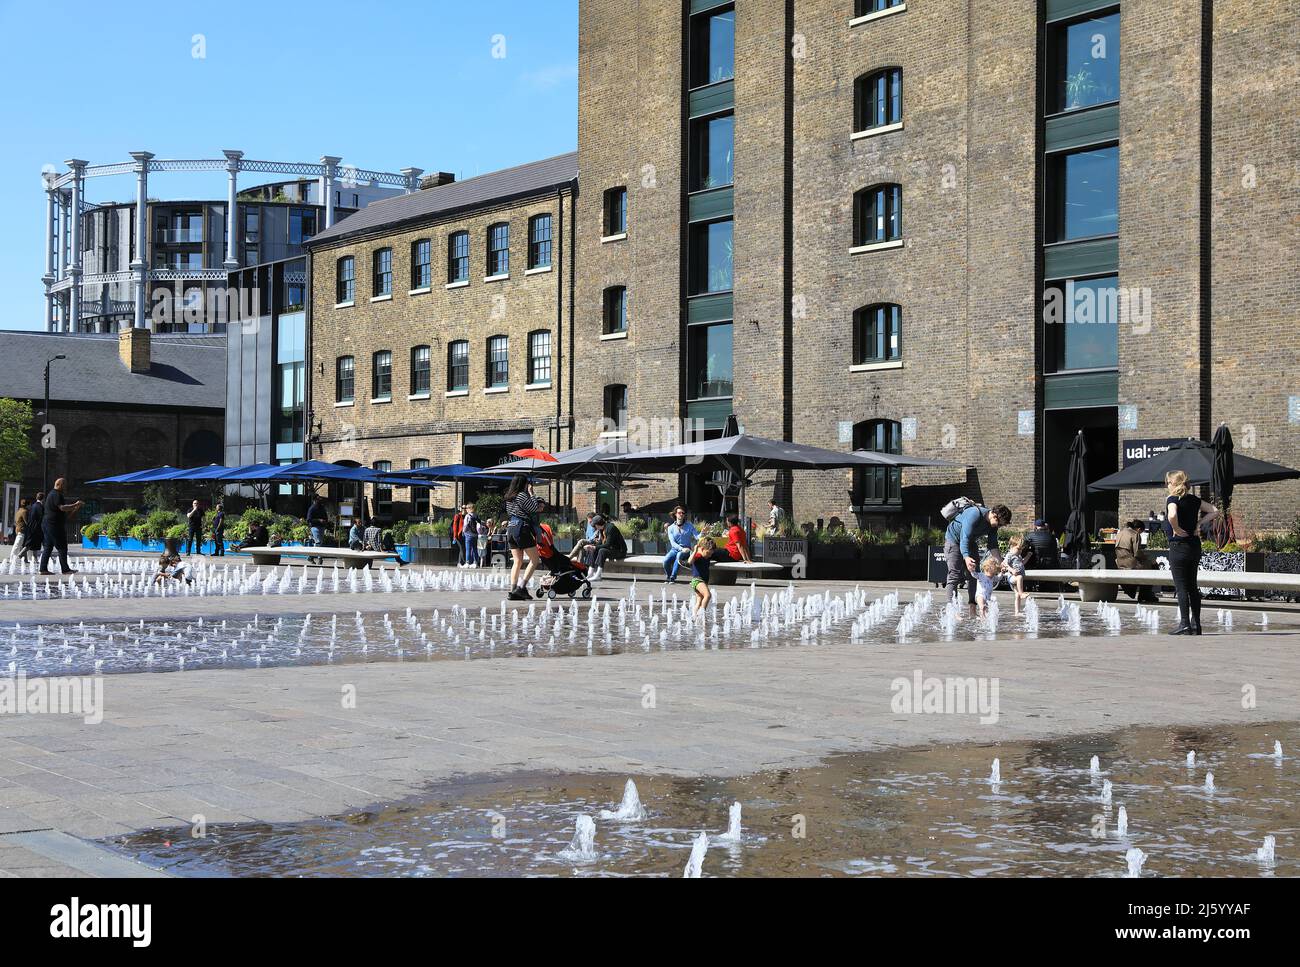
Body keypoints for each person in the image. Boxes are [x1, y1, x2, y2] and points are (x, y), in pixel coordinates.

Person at [1164, 470, 1218, 636]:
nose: (1167, 486)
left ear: (1174, 484)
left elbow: (1172, 514)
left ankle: (1184, 624)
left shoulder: (1172, 499)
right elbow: (1215, 510)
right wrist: (1199, 523)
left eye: (1168, 483)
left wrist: (1176, 528)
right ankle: (1196, 625)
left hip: (1179, 546)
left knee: (1181, 588)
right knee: (1192, 586)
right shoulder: (1194, 500)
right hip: (1194, 547)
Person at [944, 502, 1011, 610]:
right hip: (953, 540)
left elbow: (993, 545)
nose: (999, 526)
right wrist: (966, 557)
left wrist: (1001, 562)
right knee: (954, 575)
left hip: (970, 542)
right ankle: (952, 609)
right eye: (999, 524)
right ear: (994, 515)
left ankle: (972, 608)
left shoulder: (993, 526)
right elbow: (964, 538)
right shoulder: (974, 514)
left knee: (974, 574)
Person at [505, 474, 542, 600]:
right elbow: (534, 508)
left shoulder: (509, 496)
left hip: (511, 527)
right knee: (535, 559)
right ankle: (521, 587)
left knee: (517, 561)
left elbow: (510, 513)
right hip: (521, 527)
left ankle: (513, 589)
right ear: (523, 484)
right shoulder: (522, 495)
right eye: (527, 483)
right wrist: (532, 493)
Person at [39, 479, 83, 575]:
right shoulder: (56, 494)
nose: (66, 487)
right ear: (59, 484)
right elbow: (62, 508)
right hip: (53, 525)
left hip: (49, 524)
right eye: (64, 485)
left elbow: (65, 514)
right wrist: (75, 504)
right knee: (62, 547)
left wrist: (76, 508)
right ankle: (65, 569)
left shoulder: (53, 494)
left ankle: (43, 569)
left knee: (48, 547)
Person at [1115, 519, 1157, 602]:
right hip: (1130, 563)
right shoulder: (1135, 534)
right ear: (1138, 529)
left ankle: (1131, 589)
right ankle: (1144, 594)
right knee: (1152, 567)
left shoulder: (1120, 533)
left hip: (1120, 563)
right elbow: (1137, 553)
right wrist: (1147, 557)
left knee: (1146, 565)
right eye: (1141, 532)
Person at [664, 506, 699, 583]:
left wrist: (703, 533)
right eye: (679, 513)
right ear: (675, 514)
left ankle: (673, 577)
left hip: (686, 549)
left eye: (683, 513)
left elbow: (697, 537)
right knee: (666, 560)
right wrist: (681, 548)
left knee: (679, 555)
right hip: (675, 549)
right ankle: (669, 576)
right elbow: (672, 542)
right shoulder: (670, 528)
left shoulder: (689, 525)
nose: (681, 514)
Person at [685, 536, 717, 616]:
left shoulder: (706, 555)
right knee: (708, 595)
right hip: (697, 580)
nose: (709, 556)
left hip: (703, 581)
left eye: (711, 554)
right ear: (702, 549)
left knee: (699, 600)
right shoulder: (698, 555)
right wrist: (695, 551)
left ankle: (694, 616)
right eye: (708, 553)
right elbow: (689, 561)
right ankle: (701, 615)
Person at [1001, 538, 1031, 612]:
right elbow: (1005, 564)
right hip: (1012, 577)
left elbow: (1023, 562)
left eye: (1021, 549)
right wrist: (1012, 570)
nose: (1020, 551)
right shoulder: (1009, 555)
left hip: (1016, 579)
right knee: (1019, 577)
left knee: (1016, 595)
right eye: (1018, 549)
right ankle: (1021, 593)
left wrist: (1028, 556)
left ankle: (1017, 612)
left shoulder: (1018, 556)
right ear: (1011, 546)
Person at [461, 502, 480, 568]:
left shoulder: (467, 516)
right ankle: (475, 563)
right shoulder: (476, 515)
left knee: (468, 549)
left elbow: (465, 525)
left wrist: (463, 531)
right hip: (475, 535)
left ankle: (467, 563)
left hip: (468, 535)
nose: (466, 509)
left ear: (470, 508)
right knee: (475, 549)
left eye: (466, 508)